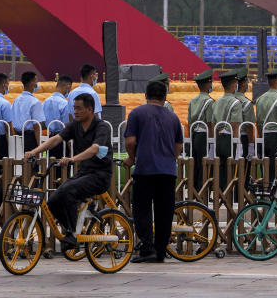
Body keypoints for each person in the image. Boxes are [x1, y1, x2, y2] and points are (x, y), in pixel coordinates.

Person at [25, 93, 113, 250]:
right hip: (84, 173)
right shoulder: (75, 125)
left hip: (100, 175)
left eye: (79, 109)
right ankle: (70, 231)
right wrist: (34, 151)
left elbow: (94, 149)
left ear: (90, 109)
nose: (75, 112)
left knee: (68, 190)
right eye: (74, 109)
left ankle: (72, 233)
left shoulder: (102, 127)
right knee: (53, 200)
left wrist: (73, 159)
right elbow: (56, 139)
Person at [124, 79, 183, 263]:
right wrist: (168, 159)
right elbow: (178, 145)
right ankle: (160, 251)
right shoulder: (173, 118)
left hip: (145, 169)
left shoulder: (136, 113)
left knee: (142, 209)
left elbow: (130, 141)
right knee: (164, 211)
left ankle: (147, 248)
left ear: (146, 96)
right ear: (165, 98)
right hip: (167, 171)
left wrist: (132, 158)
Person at [211, 69, 243, 189]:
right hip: (230, 139)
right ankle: (228, 196)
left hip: (219, 138)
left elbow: (213, 125)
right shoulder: (236, 103)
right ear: (234, 84)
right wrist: (238, 144)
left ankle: (220, 194)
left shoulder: (216, 102)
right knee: (231, 171)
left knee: (221, 170)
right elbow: (235, 125)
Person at [187, 69, 216, 192]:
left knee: (195, 165)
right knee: (205, 164)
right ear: (208, 84)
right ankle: (203, 191)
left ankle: (193, 190)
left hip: (194, 135)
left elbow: (189, 122)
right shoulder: (209, 102)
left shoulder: (192, 101)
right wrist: (212, 143)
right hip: (204, 136)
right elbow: (210, 124)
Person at [12, 71, 44, 153]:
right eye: (36, 81)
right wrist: (40, 148)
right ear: (32, 83)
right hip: (30, 138)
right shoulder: (35, 102)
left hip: (16, 137)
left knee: (18, 163)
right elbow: (37, 126)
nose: (37, 84)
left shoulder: (16, 100)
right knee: (30, 164)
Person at [44, 76, 72, 158]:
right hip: (61, 139)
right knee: (62, 167)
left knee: (51, 165)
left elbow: (42, 122)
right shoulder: (64, 103)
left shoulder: (46, 101)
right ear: (68, 87)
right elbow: (66, 126)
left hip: (49, 138)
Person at [234, 67, 255, 159]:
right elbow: (249, 126)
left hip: (228, 137)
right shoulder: (246, 103)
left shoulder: (227, 100)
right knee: (244, 169)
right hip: (243, 138)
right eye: (247, 82)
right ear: (243, 84)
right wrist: (251, 145)